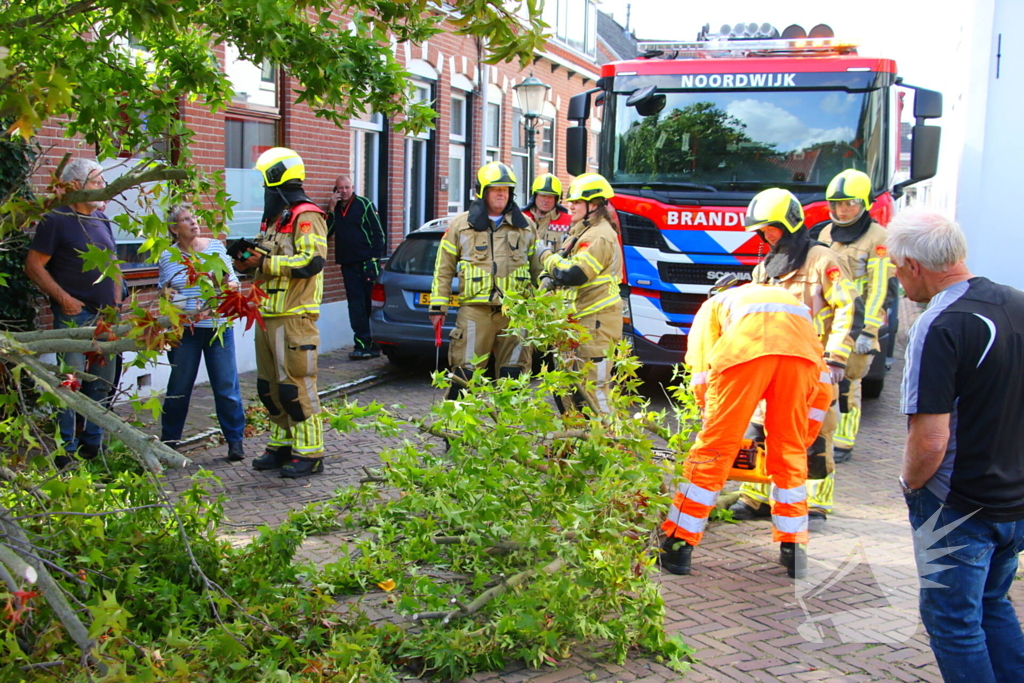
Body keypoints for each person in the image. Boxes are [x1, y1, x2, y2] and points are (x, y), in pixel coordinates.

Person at [891, 209, 1024, 683]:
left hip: (958, 504)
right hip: (1013, 501)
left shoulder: (941, 322)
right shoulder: (1017, 302)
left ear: (913, 265)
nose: (898, 281)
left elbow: (930, 438)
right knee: (991, 604)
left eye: (895, 268)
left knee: (953, 623)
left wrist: (911, 486)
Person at [660, 281, 833, 578]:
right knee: (790, 455)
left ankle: (679, 545)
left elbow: (702, 367)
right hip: (800, 363)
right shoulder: (793, 305)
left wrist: (711, 417)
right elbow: (823, 386)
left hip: (744, 355)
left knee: (712, 452)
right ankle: (794, 551)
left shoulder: (714, 305)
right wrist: (802, 439)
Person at [731, 188, 860, 531]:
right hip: (769, 362)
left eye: (770, 228)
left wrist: (836, 358)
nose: (766, 235)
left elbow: (848, 307)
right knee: (759, 428)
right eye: (762, 230)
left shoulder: (823, 260)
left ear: (788, 224)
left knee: (813, 435)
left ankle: (815, 505)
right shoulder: (767, 266)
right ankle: (754, 496)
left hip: (811, 365)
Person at [234, 147, 329, 478]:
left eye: (263, 181)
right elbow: (264, 261)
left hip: (294, 316)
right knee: (269, 387)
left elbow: (311, 262)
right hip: (267, 313)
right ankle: (281, 444)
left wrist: (264, 262)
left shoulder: (307, 216)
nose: (262, 189)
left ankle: (310, 452)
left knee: (296, 385)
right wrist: (247, 261)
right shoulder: (275, 218)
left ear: (276, 179)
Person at [25, 158, 122, 467]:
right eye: (96, 181)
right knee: (70, 382)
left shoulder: (103, 220)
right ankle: (64, 449)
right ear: (76, 186)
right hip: (74, 317)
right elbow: (33, 265)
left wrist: (117, 305)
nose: (102, 187)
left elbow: (114, 268)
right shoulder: (57, 219)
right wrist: (63, 298)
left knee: (102, 383)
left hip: (106, 317)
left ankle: (93, 444)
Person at [428, 162, 541, 391]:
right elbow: (444, 268)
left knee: (514, 376)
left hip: (516, 313)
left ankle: (510, 426)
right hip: (475, 312)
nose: (501, 194)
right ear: (483, 191)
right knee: (465, 374)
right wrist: (438, 307)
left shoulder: (526, 227)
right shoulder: (461, 225)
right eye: (495, 189)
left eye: (506, 189)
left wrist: (544, 310)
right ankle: (457, 425)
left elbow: (539, 269)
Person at [157, 205, 246, 460]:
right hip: (185, 333)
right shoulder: (167, 256)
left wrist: (219, 294)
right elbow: (164, 292)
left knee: (226, 387)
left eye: (194, 217)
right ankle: (169, 443)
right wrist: (176, 302)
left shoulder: (216, 248)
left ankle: (235, 442)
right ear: (175, 229)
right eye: (186, 220)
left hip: (218, 328)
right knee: (178, 389)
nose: (194, 222)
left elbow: (234, 283)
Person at [818, 170, 894, 462]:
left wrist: (868, 331)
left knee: (849, 384)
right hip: (829, 323)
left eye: (849, 203)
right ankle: (824, 433)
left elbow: (879, 289)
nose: (843, 209)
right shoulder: (826, 233)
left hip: (857, 324)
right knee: (824, 382)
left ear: (864, 204)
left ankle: (844, 442)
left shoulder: (879, 238)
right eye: (837, 204)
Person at [536, 173, 623, 414]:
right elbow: (564, 265)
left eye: (576, 201)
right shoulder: (583, 230)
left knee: (593, 393)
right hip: (578, 322)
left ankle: (608, 446)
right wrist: (549, 276)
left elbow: (575, 273)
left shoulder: (599, 235)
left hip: (595, 325)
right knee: (567, 391)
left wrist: (545, 256)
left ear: (594, 205)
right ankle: (573, 445)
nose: (570, 205)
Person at [326, 175, 386, 360]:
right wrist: (330, 209)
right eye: (340, 188)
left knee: (369, 303)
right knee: (355, 305)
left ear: (352, 187)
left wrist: (374, 258)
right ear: (335, 191)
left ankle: (374, 345)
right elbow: (326, 233)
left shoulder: (364, 204)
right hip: (347, 263)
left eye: (346, 187)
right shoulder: (335, 209)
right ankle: (361, 343)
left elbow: (379, 234)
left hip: (367, 262)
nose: (343, 191)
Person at [523, 173, 571, 251]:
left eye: (550, 197)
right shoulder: (521, 218)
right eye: (542, 195)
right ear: (534, 196)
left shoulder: (568, 222)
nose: (546, 200)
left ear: (557, 199)